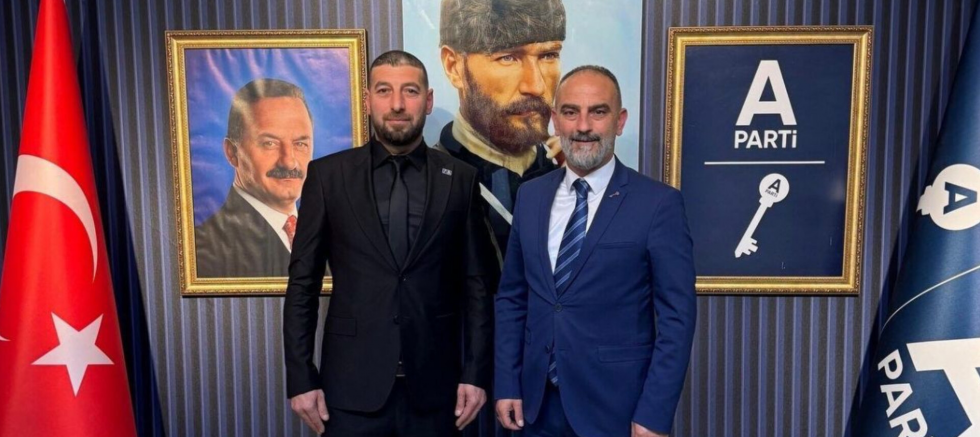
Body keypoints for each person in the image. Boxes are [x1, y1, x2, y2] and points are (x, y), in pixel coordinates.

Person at [283, 50, 498, 437]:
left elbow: (477, 286)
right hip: (349, 391)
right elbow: (302, 285)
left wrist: (476, 373)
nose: (397, 104)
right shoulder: (328, 176)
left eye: (410, 91)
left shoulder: (461, 179)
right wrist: (300, 377)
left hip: (438, 392)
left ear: (428, 101)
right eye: (384, 91)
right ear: (367, 100)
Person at [494, 66, 697, 437]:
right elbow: (513, 297)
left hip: (616, 410)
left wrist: (654, 414)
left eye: (598, 112)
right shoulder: (531, 196)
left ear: (620, 121)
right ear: (555, 120)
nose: (583, 126)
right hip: (535, 407)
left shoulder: (658, 204)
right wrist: (507, 381)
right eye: (571, 112)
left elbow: (676, 319)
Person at [436, 0, 567, 259]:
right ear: (454, 67)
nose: (536, 86)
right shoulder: (432, 182)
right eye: (508, 57)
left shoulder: (567, 174)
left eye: (548, 55)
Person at [195, 78, 313, 278]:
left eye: (300, 144)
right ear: (232, 152)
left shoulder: (329, 237)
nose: (289, 162)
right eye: (269, 143)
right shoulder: (204, 252)